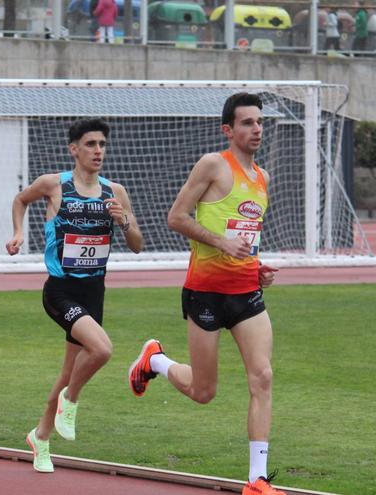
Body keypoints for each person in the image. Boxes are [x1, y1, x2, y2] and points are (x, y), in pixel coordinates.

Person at [127, 93, 284, 495]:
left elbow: (247, 236)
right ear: (228, 130)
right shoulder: (214, 165)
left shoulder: (262, 178)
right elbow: (176, 217)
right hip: (205, 292)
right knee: (204, 391)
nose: (256, 130)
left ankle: (257, 480)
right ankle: (155, 360)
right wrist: (220, 243)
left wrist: (257, 267)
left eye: (260, 122)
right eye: (247, 123)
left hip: (246, 292)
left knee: (262, 376)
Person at [6, 118, 143, 473]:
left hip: (94, 291)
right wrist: (19, 233)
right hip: (61, 289)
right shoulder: (54, 185)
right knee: (102, 349)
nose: (98, 151)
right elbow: (21, 200)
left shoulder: (116, 192)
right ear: (74, 149)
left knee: (68, 371)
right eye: (91, 144)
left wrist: (123, 221)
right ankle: (71, 400)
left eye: (102, 145)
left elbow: (138, 245)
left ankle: (41, 437)